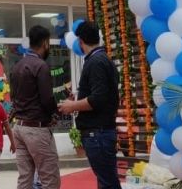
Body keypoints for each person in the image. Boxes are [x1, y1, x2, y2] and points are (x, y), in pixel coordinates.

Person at [58, 21, 121, 189]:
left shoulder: (96, 62)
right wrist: (78, 100)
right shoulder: (102, 59)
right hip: (101, 131)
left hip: (98, 132)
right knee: (107, 181)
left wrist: (72, 106)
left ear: (80, 41)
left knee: (108, 183)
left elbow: (98, 99)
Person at [10, 25, 61, 189]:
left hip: (19, 128)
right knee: (50, 179)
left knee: (25, 179)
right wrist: (56, 113)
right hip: (36, 129)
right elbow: (47, 99)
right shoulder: (41, 66)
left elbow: (13, 97)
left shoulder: (17, 66)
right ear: (45, 43)